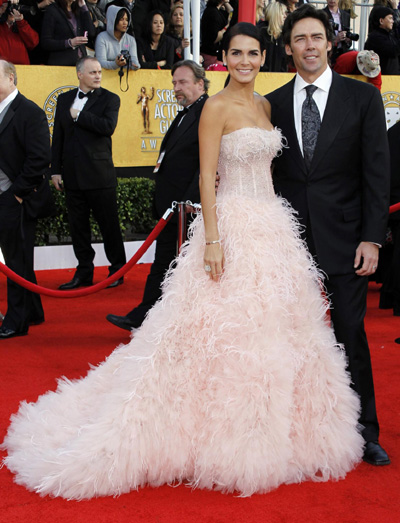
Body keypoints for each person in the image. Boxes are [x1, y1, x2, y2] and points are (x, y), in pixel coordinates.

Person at [1, 23, 364, 498]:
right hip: (231, 226)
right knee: (211, 331)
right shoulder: (215, 107)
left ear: (263, 56)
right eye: (236, 53)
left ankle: (275, 427)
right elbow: (208, 177)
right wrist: (212, 240)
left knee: (275, 331)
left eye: (253, 53)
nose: (245, 62)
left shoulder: (265, 105)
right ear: (224, 56)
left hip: (273, 226)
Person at [266, 4, 390, 466]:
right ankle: (298, 430)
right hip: (288, 243)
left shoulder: (362, 100)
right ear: (288, 48)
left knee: (350, 333)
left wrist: (372, 238)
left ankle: (365, 432)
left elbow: (376, 174)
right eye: (300, 39)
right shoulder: (272, 103)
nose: (309, 46)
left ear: (330, 42)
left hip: (346, 241)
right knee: (290, 338)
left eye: (316, 37)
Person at [107, 59, 208, 331]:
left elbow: (207, 163)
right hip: (171, 207)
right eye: (174, 82)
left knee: (177, 266)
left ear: (200, 83)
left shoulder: (207, 112)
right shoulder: (186, 112)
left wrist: (190, 202)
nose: (176, 87)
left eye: (183, 82)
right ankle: (145, 316)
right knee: (163, 262)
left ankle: (154, 319)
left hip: (187, 209)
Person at [51, 56, 126, 290]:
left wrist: (80, 116)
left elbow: (107, 127)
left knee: (109, 227)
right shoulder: (63, 100)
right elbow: (59, 138)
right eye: (92, 72)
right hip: (72, 176)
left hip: (99, 175)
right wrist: (55, 171)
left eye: (99, 72)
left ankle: (117, 271)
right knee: (78, 228)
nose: (97, 76)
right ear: (79, 74)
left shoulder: (110, 99)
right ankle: (83, 273)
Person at [0, 60, 50, 339]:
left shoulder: (30, 112)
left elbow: (40, 158)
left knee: (15, 262)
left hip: (16, 198)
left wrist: (17, 194)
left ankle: (15, 322)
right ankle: (33, 311)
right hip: (4, 196)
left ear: (11, 78)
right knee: (18, 258)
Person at [41, 0, 95, 66]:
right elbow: (45, 42)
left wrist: (84, 7)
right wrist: (69, 43)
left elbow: (91, 33)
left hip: (81, 64)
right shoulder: (52, 10)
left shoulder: (79, 9)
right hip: (61, 64)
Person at [95, 5, 140, 70]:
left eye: (127, 20)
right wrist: (116, 64)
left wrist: (135, 65)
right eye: (122, 19)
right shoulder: (101, 38)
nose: (125, 23)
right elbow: (100, 62)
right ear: (113, 20)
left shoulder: (131, 39)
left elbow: (134, 60)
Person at [0, 0, 39, 64]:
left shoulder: (21, 25)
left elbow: (33, 42)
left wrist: (20, 21)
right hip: (2, 70)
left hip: (22, 70)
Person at [364, 6, 400, 75]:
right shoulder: (375, 37)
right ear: (381, 21)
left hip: (394, 78)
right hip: (382, 78)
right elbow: (393, 51)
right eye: (390, 18)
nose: (392, 21)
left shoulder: (390, 35)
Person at [323, 0, 352, 65]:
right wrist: (335, 39)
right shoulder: (321, 14)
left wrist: (348, 39)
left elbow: (349, 39)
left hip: (343, 53)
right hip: (328, 55)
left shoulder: (345, 15)